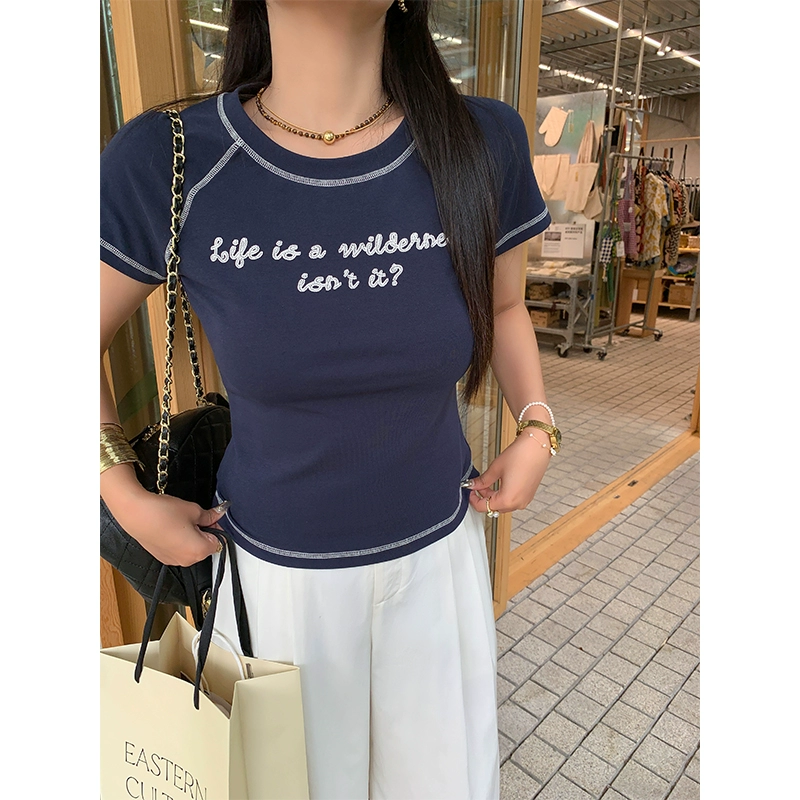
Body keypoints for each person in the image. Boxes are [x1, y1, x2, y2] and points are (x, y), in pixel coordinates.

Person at [100, 1, 556, 797]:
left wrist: (538, 424)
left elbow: (506, 304)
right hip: (272, 589)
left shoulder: (483, 141)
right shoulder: (171, 158)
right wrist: (121, 493)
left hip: (439, 568)